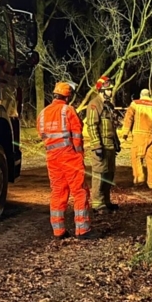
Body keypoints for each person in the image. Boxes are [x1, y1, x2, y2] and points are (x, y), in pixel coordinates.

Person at [37, 82, 96, 239]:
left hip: (52, 158)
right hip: (69, 156)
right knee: (79, 191)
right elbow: (77, 135)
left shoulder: (43, 113)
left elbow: (41, 134)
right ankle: (82, 230)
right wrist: (79, 154)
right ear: (68, 96)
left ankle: (58, 230)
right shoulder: (68, 110)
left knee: (58, 192)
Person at [85, 75, 121, 214]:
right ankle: (97, 205)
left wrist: (116, 142)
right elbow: (92, 126)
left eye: (111, 89)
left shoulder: (109, 106)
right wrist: (96, 146)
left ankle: (106, 201)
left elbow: (113, 126)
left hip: (110, 146)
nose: (110, 92)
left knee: (109, 175)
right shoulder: (95, 105)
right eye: (108, 90)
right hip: (101, 147)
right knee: (99, 175)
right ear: (101, 91)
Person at [122, 88, 152, 190]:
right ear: (149, 95)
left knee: (136, 156)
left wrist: (125, 132)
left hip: (139, 134)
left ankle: (139, 178)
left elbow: (128, 117)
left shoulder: (135, 104)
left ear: (141, 95)